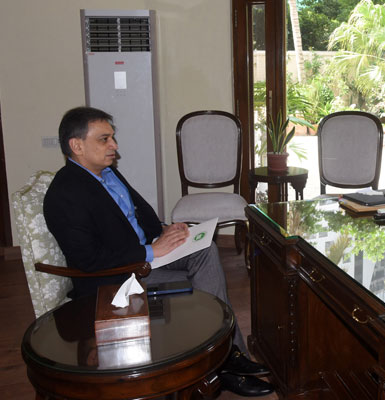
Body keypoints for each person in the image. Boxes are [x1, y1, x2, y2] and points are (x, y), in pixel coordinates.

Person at [44, 106, 273, 397]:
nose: (114, 145)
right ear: (76, 146)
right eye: (104, 139)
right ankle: (220, 364)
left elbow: (138, 215)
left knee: (206, 250)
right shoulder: (66, 194)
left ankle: (227, 353)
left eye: (113, 137)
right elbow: (87, 260)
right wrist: (150, 251)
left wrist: (164, 230)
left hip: (145, 257)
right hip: (118, 280)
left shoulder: (108, 173)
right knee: (202, 278)